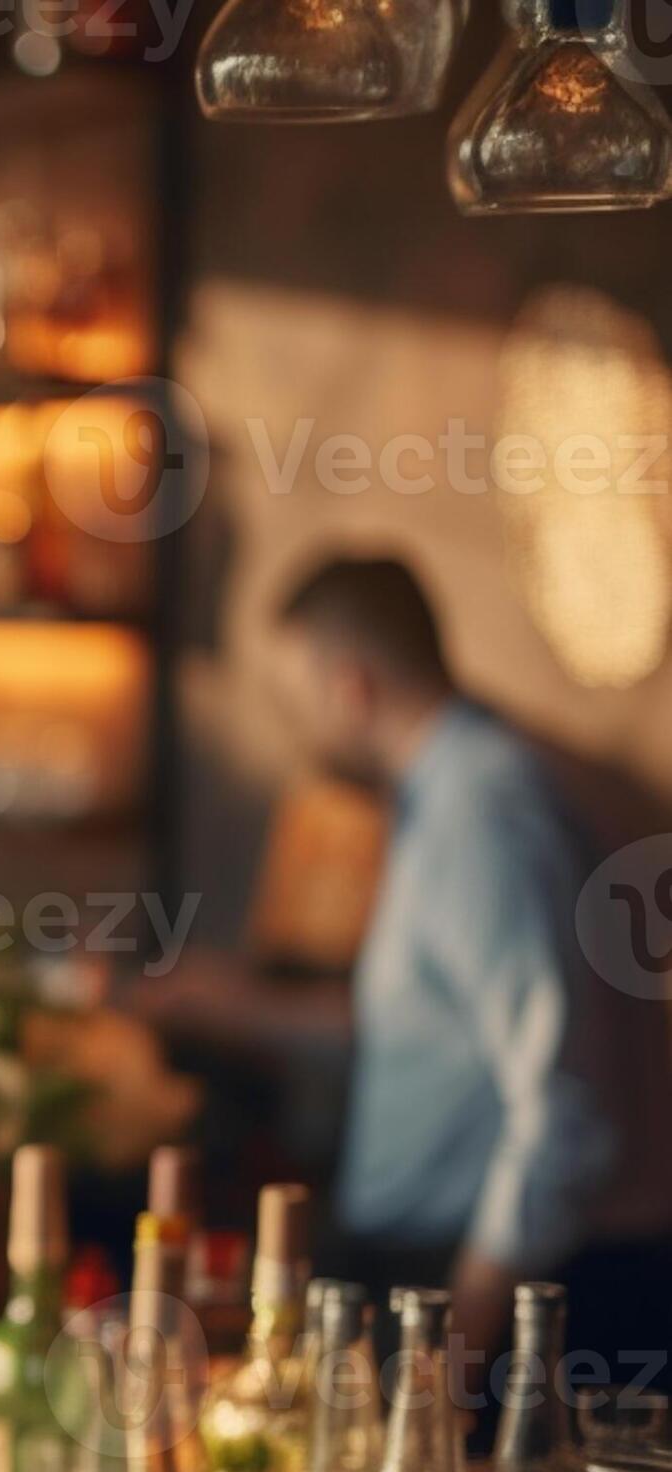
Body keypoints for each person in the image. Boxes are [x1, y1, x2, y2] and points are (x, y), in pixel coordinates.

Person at [265, 555, 672, 1388]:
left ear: (349, 686)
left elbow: (564, 1106)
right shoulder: (449, 792)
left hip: (511, 1300)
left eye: (294, 699)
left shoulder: (479, 811)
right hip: (465, 1280)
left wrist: (449, 1359)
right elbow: (434, 1026)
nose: (292, 728)